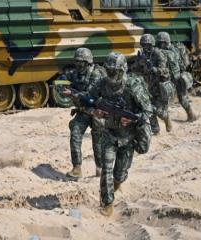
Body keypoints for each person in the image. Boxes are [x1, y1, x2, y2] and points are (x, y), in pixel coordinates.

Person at [92, 52, 153, 216]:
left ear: (122, 71)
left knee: (120, 174)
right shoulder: (101, 84)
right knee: (106, 170)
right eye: (109, 70)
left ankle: (117, 185)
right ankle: (107, 204)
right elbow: (88, 99)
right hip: (109, 134)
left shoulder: (133, 85)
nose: (111, 74)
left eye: (115, 71)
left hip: (128, 138)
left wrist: (133, 120)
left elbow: (148, 110)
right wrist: (95, 111)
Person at [62, 48, 104, 179]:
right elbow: (62, 78)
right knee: (75, 131)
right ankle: (77, 168)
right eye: (76, 62)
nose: (78, 65)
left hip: (97, 112)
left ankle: (100, 168)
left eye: (81, 63)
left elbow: (90, 95)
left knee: (98, 141)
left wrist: (72, 93)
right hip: (83, 111)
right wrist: (61, 83)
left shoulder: (96, 74)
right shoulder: (76, 74)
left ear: (88, 63)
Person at [131, 33, 171, 135]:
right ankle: (155, 129)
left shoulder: (158, 54)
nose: (145, 47)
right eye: (143, 45)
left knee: (157, 110)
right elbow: (134, 69)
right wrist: (139, 64)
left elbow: (164, 70)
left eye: (147, 45)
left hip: (158, 86)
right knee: (148, 108)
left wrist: (151, 68)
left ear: (152, 45)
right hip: (147, 86)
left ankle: (166, 117)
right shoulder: (142, 55)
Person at [156, 32, 196, 123]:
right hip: (172, 78)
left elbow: (171, 58)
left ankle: (191, 116)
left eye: (161, 42)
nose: (160, 44)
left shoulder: (172, 50)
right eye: (159, 42)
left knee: (180, 98)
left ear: (165, 42)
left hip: (177, 78)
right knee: (168, 98)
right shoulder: (168, 49)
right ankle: (189, 116)